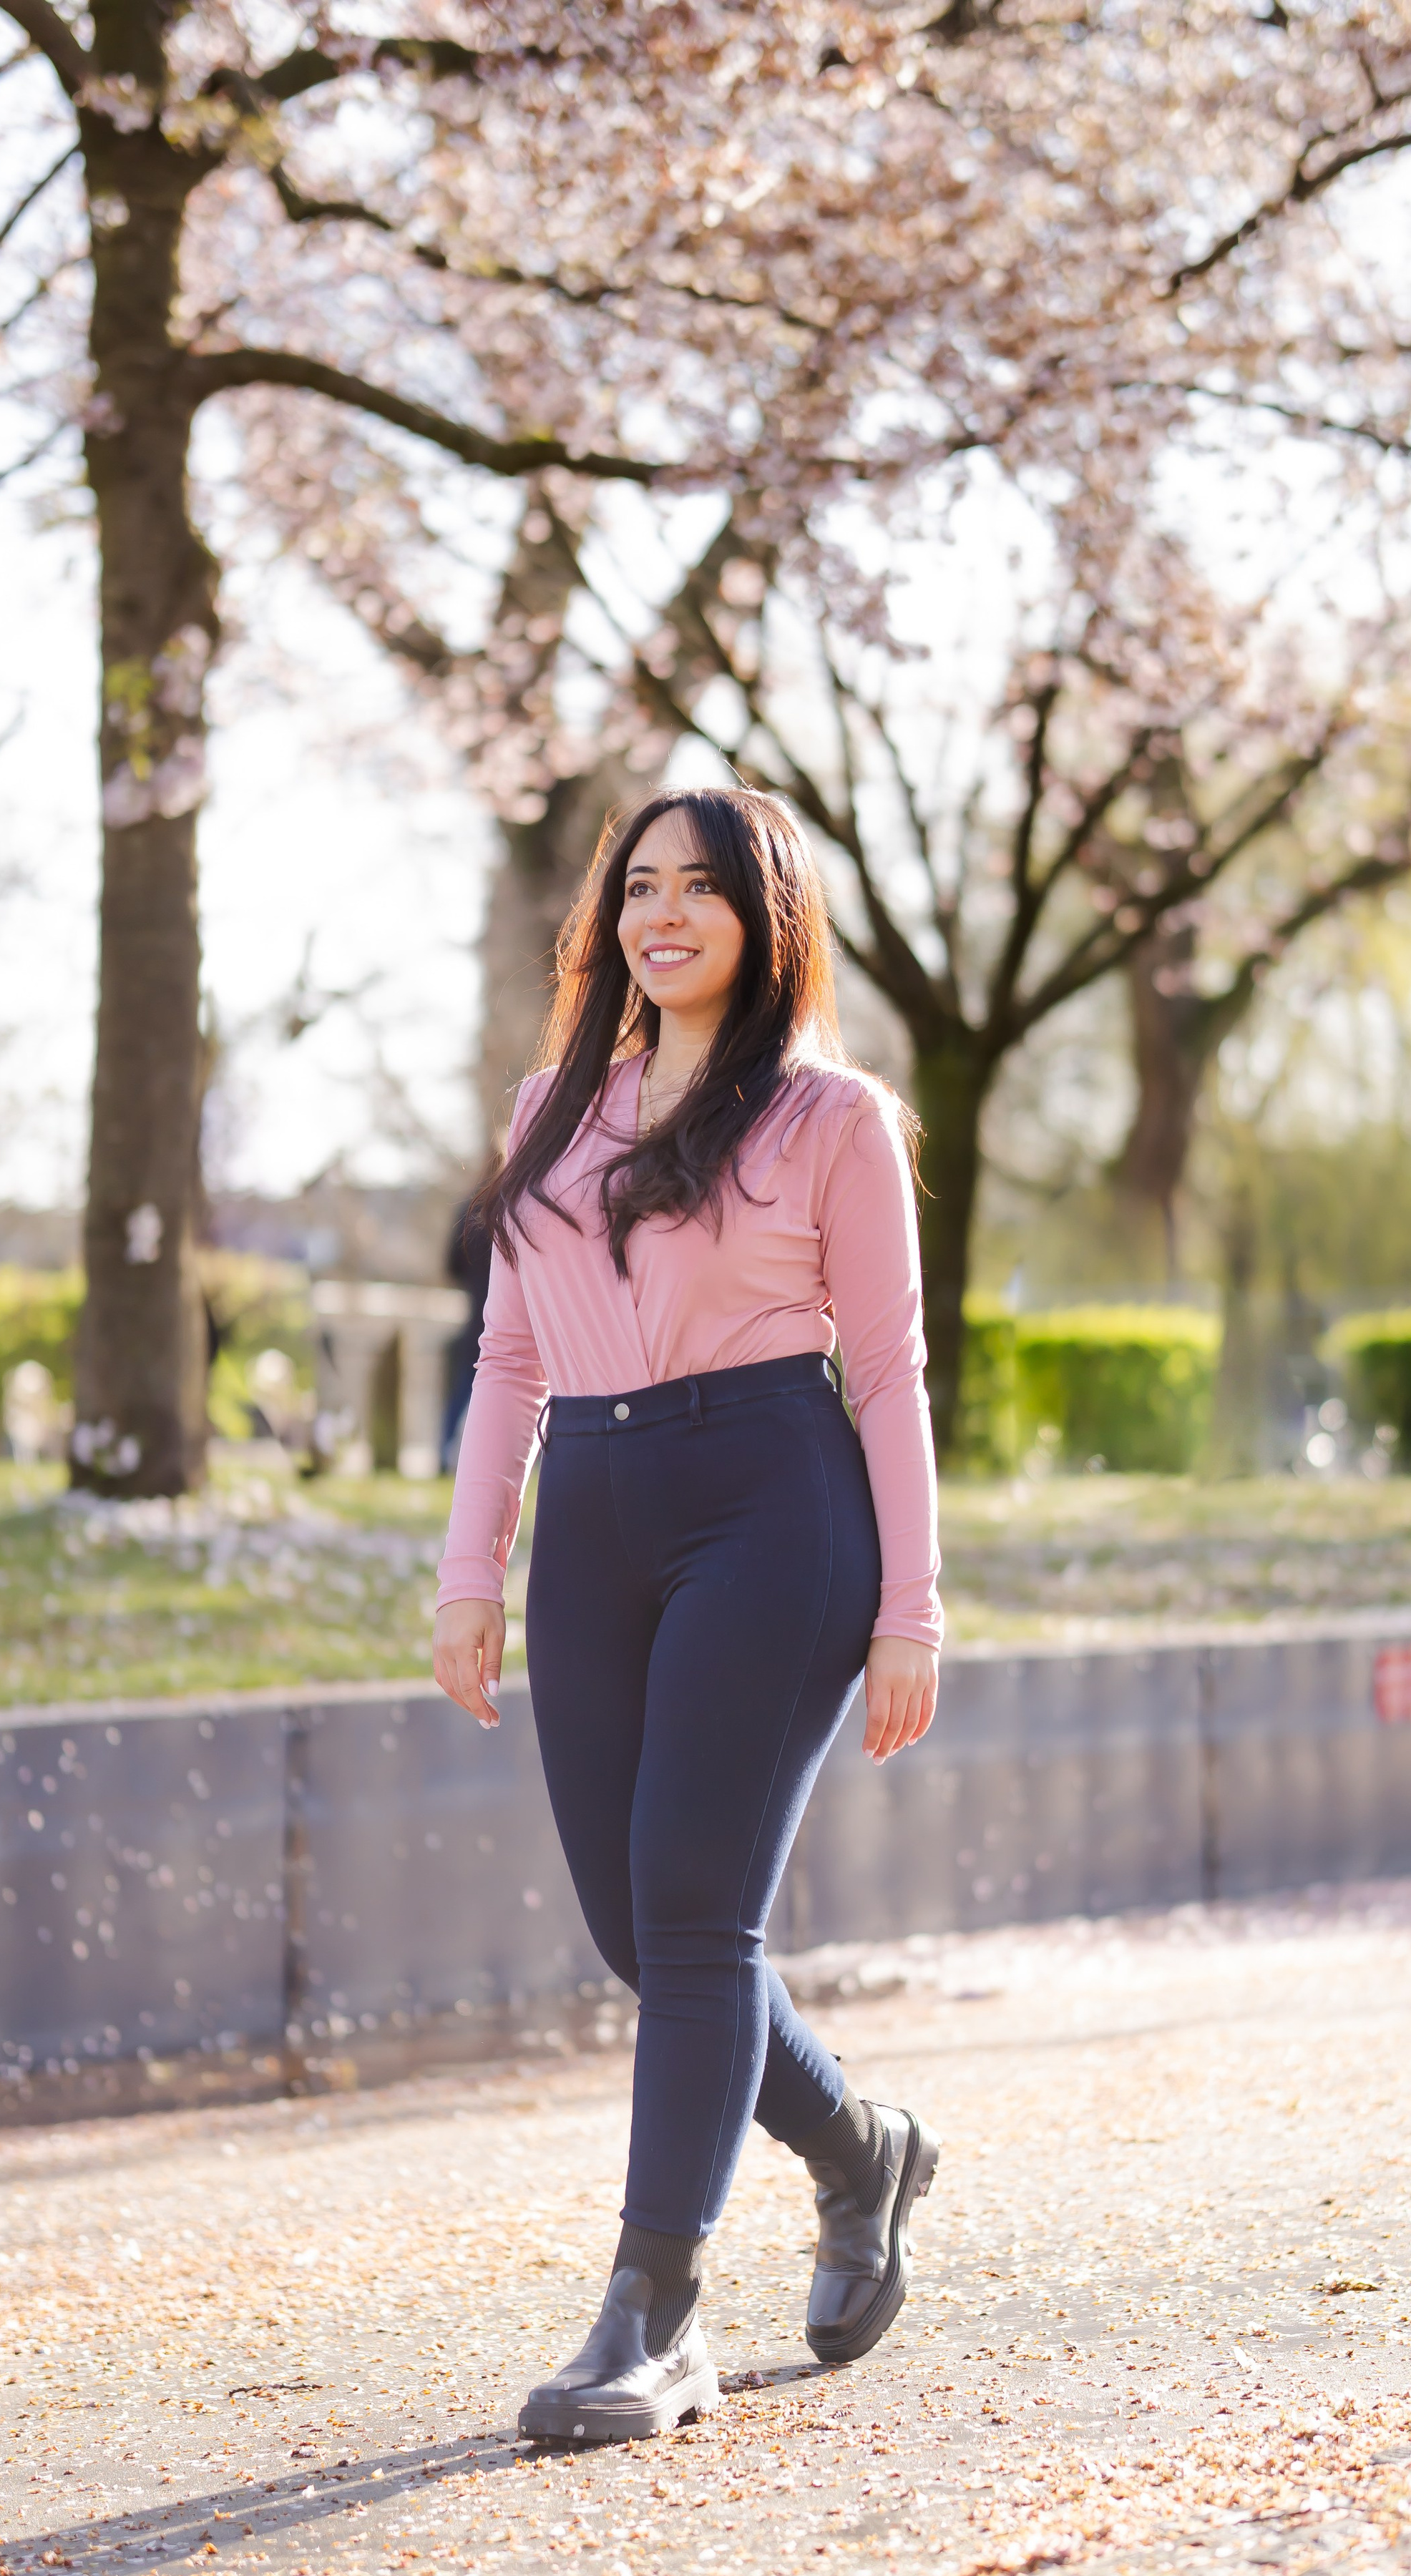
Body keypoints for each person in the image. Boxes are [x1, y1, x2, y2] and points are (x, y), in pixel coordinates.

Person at [433, 787, 942, 2443]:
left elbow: (884, 1370)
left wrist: (909, 1606)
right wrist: (469, 1571)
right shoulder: (546, 1109)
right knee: (630, 1930)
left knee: (698, 1918)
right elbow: (508, 1357)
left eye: (700, 887)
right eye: (638, 886)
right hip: (590, 1506)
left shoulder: (827, 1119)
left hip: (770, 1507)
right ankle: (859, 2145)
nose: (663, 913)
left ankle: (649, 2317)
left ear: (759, 916)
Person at [439, 1197, 493, 1472]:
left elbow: (451, 1265)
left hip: (478, 1316)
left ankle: (443, 1454)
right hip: (519, 1317)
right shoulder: (522, 1203)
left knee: (464, 1388)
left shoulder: (472, 1208)